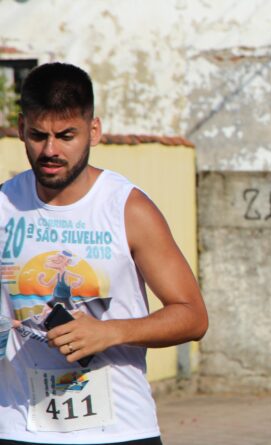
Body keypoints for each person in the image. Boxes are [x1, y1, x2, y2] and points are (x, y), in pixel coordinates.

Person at [0, 62, 208, 444]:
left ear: (94, 131)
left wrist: (110, 332)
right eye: (37, 135)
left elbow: (192, 316)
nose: (50, 150)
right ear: (20, 127)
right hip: (16, 427)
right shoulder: (4, 205)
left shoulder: (127, 208)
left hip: (119, 431)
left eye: (66, 136)